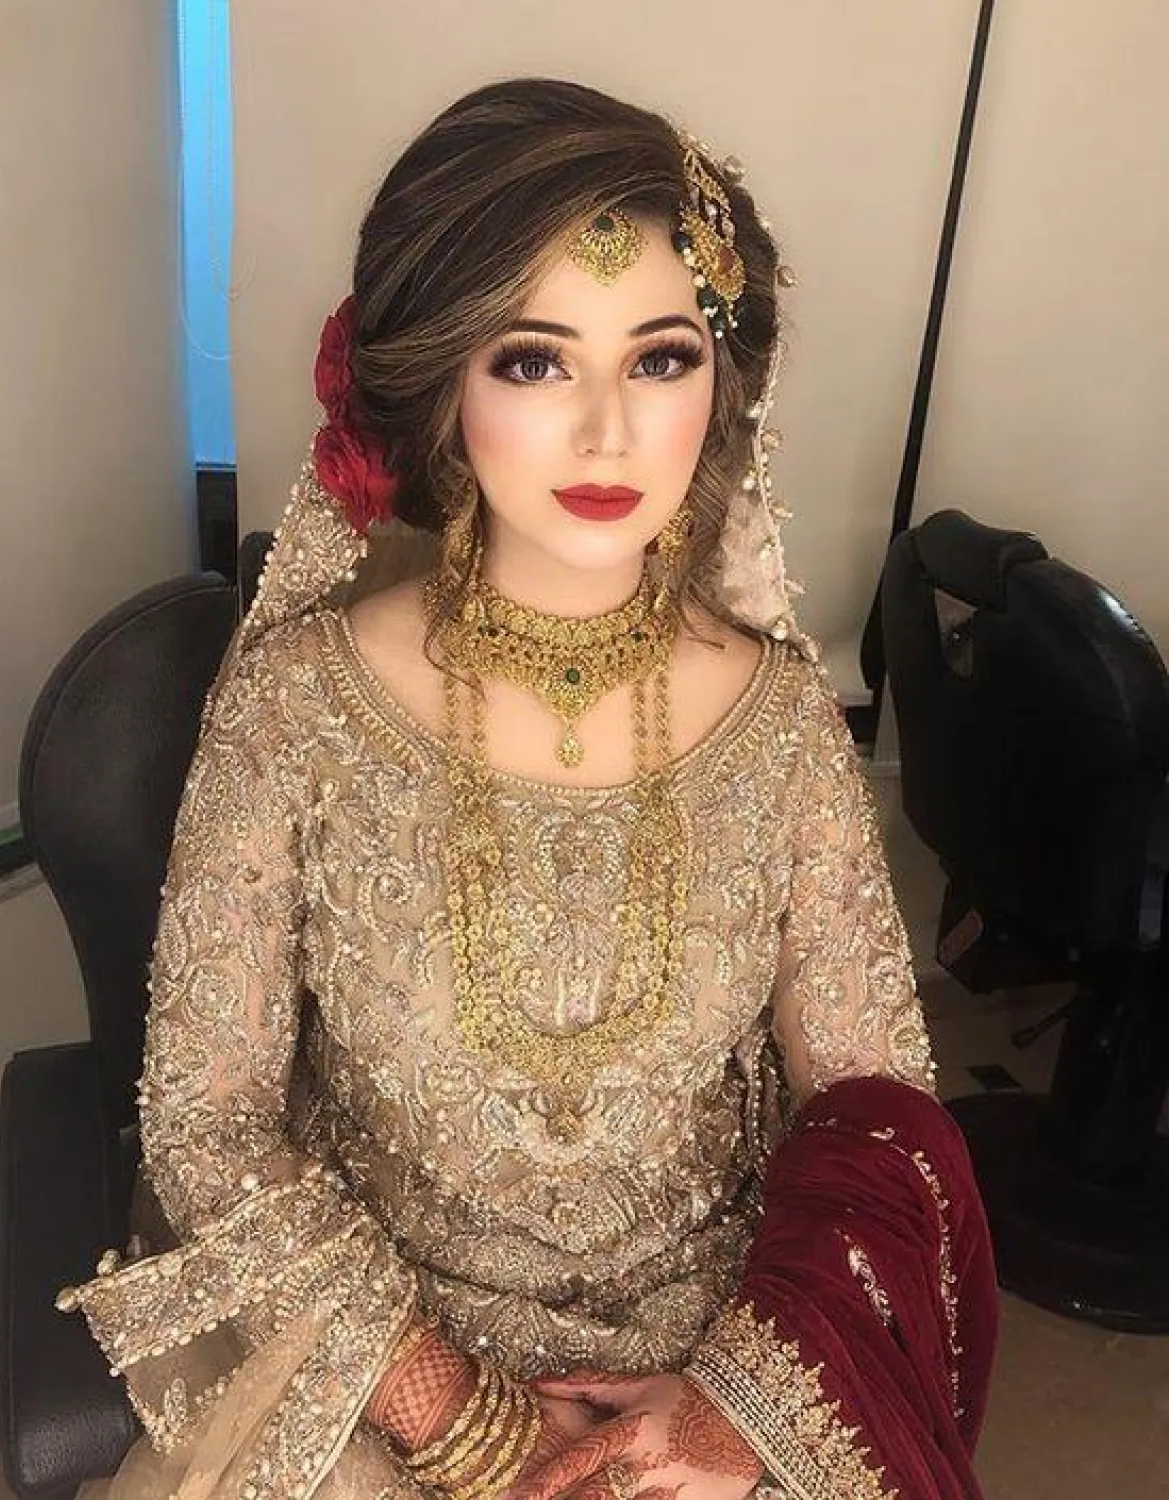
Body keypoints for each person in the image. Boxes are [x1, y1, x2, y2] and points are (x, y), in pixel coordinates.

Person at [57, 77, 998, 1500]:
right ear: (444, 383)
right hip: (372, 1370)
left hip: (710, 1388)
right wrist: (460, 1415)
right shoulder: (300, 708)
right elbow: (208, 1121)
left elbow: (876, 1107)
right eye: (536, 362)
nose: (609, 433)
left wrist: (738, 1406)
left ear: (723, 384)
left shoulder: (784, 729)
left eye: (661, 359)